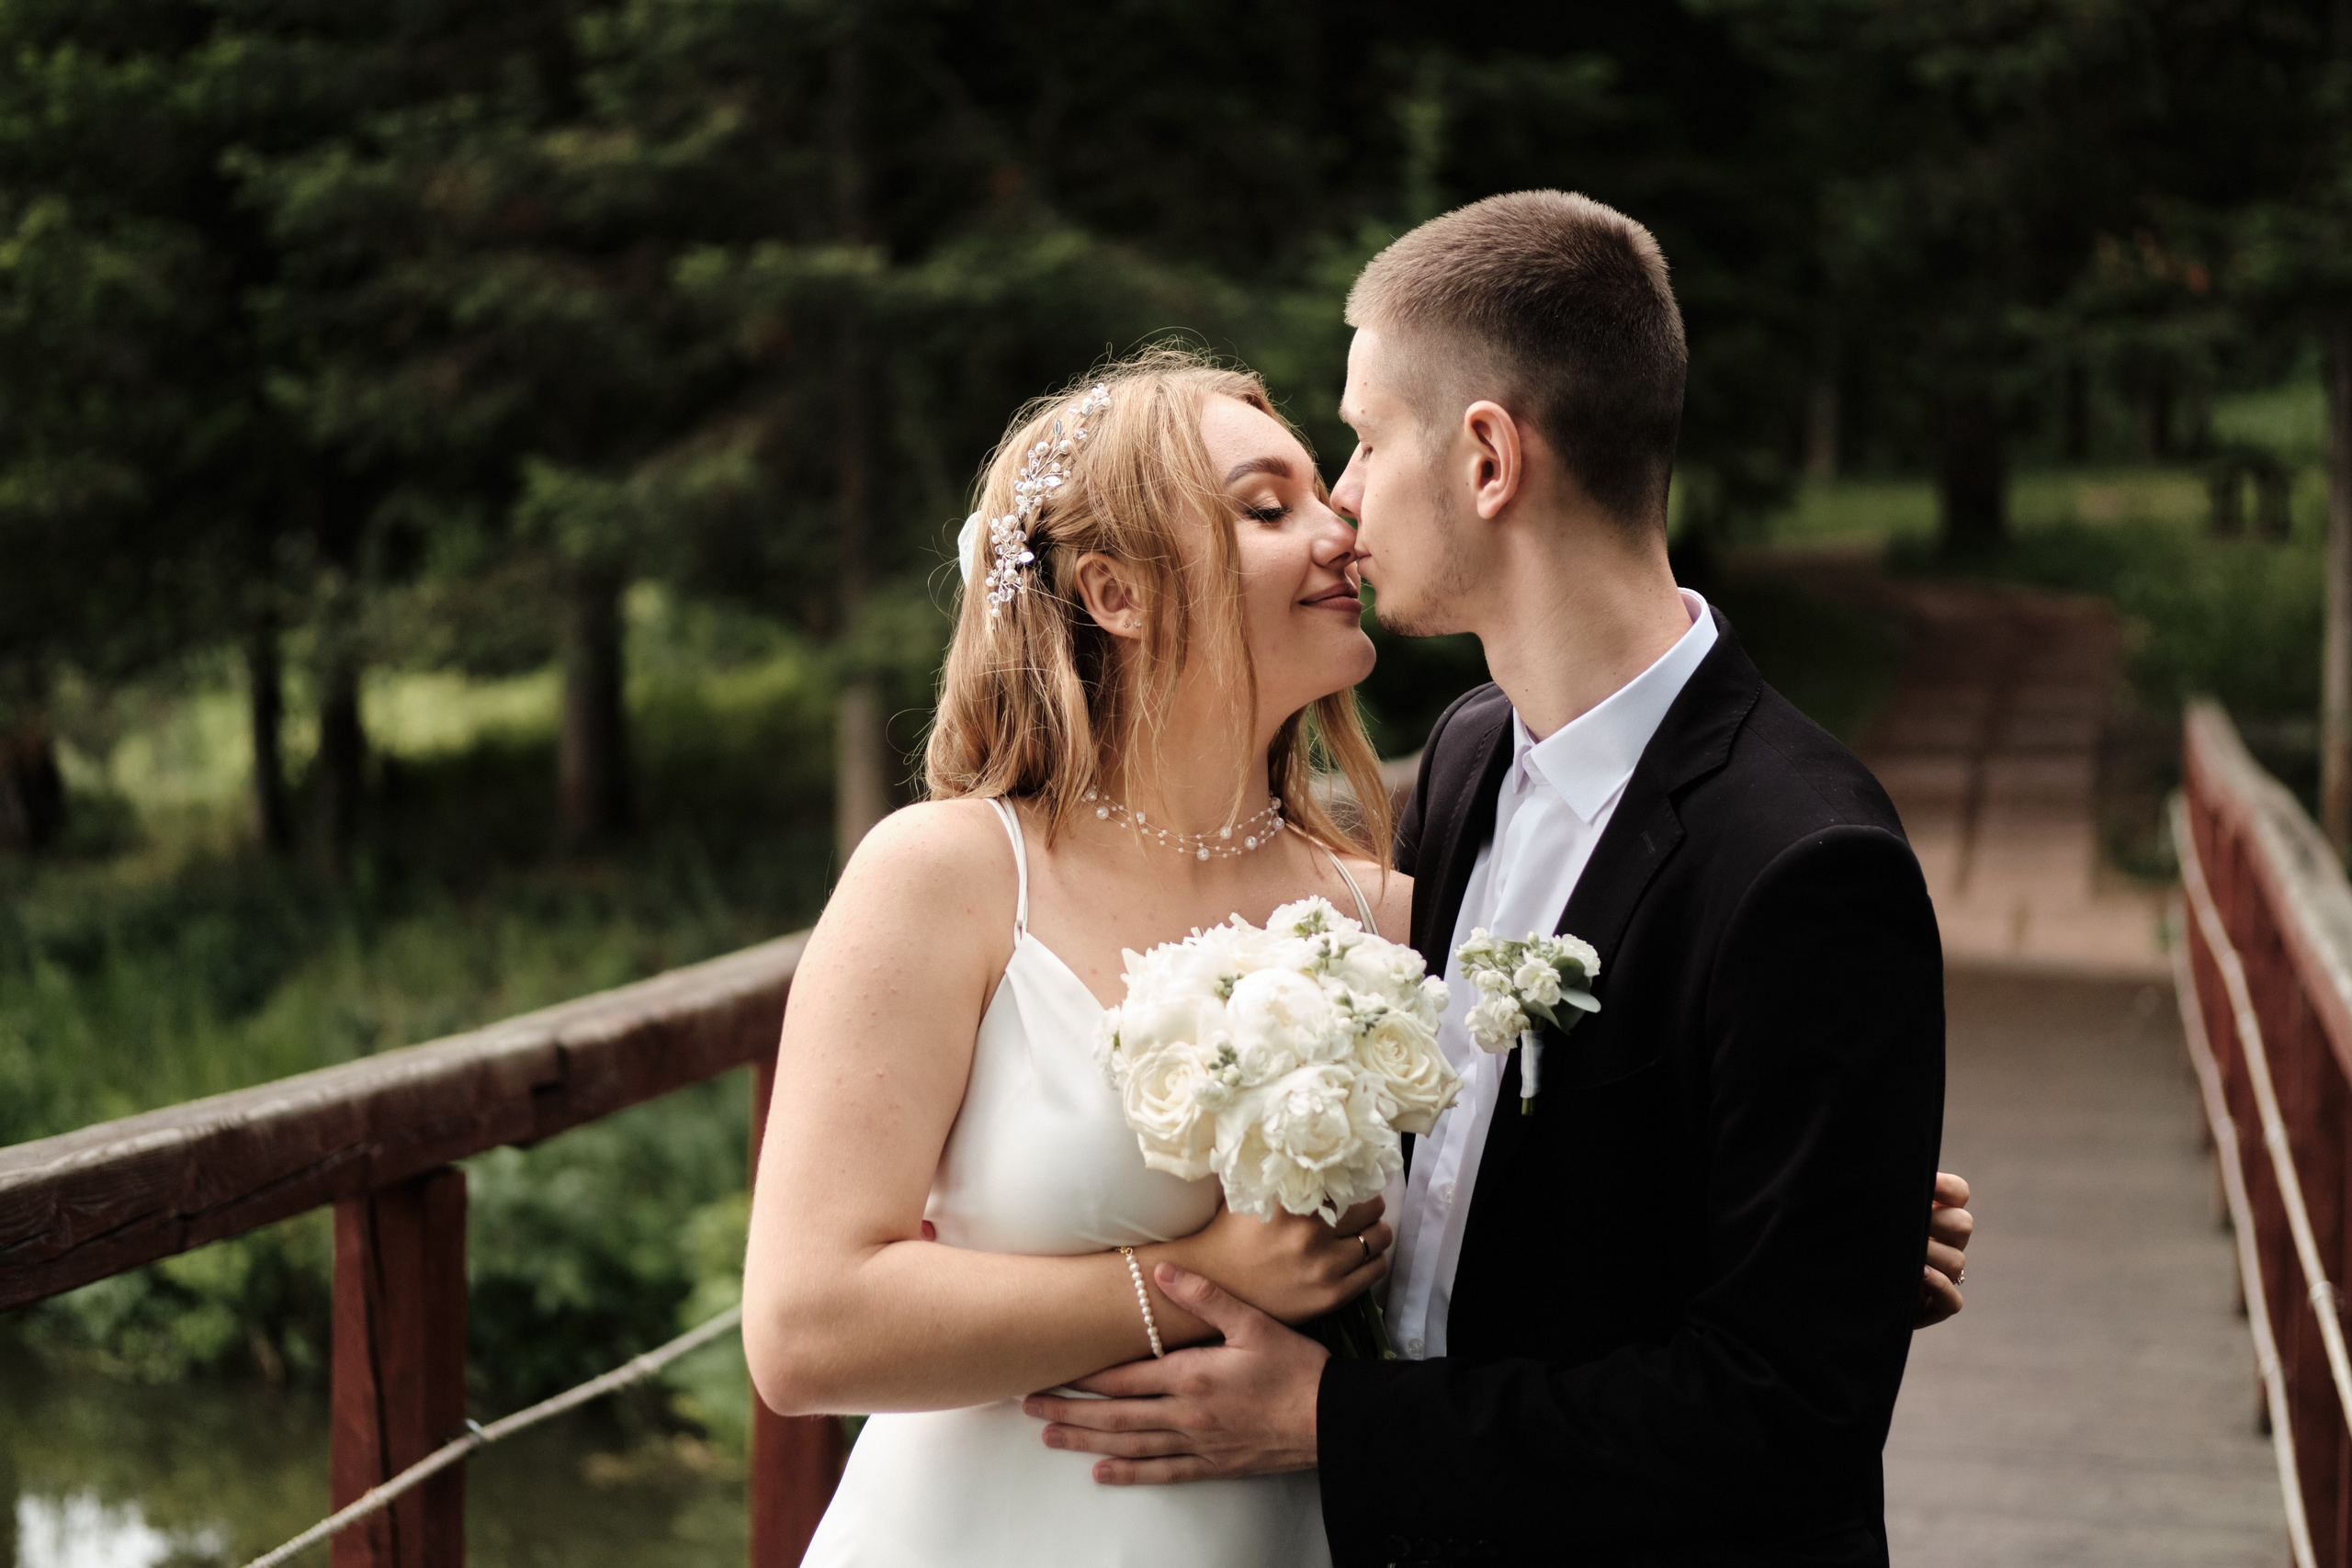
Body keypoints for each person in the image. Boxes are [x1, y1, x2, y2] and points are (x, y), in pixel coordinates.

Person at [1027, 192, 1965, 1566]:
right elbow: (1516, 1182)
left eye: (1362, 438)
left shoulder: (1806, 863)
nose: (1343, 498)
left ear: (1485, 458)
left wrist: (1331, 1425)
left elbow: (1786, 1416)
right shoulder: (1466, 758)